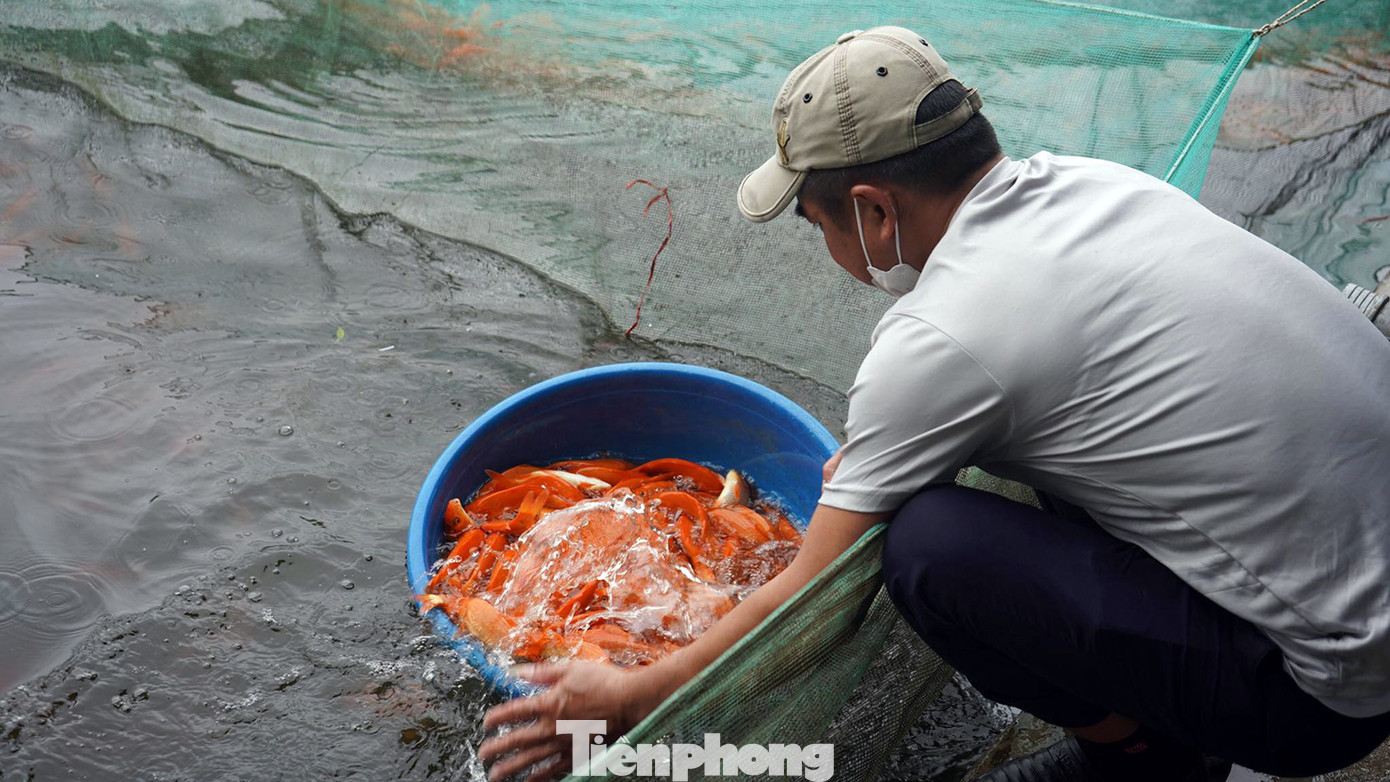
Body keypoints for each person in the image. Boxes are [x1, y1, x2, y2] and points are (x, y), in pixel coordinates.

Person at [480, 25, 1390, 781]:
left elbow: (801, 594)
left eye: (818, 222)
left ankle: (1145, 758)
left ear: (874, 211)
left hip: (1327, 695)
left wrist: (632, 697)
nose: (827, 246)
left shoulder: (939, 339)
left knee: (930, 549)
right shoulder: (1097, 185)